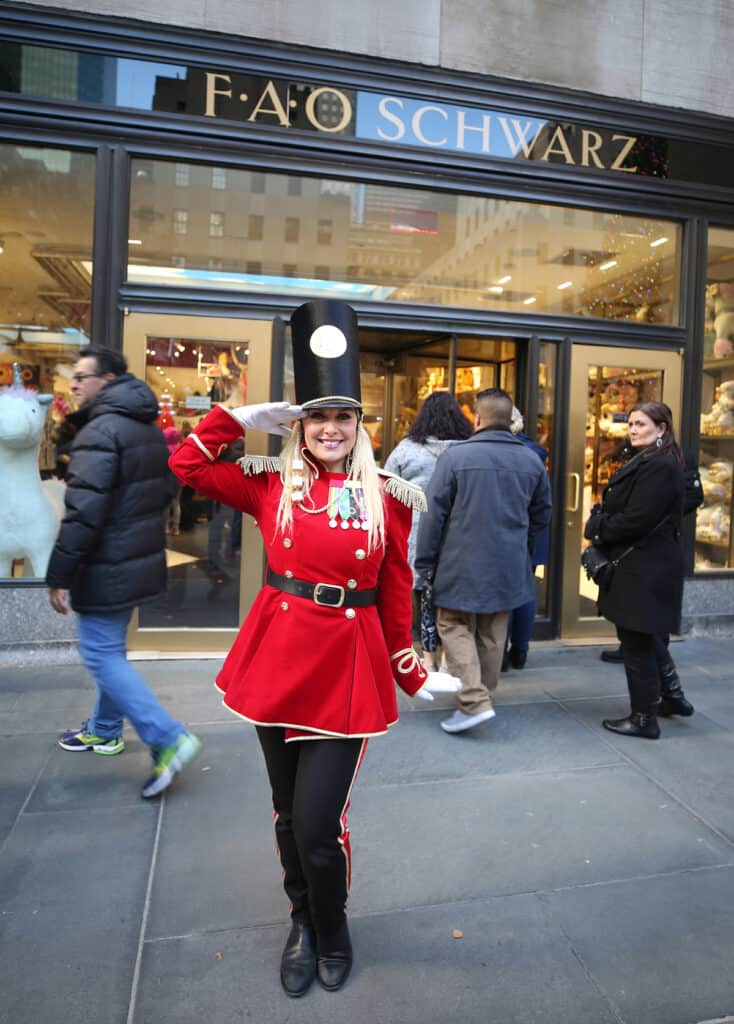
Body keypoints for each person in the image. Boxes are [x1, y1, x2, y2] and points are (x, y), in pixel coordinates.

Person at [169, 300, 430, 998]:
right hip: (280, 658)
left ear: (358, 425)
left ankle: (333, 926)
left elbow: (398, 586)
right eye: (319, 417)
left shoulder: (390, 497)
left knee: (319, 824)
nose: (332, 429)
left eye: (343, 417)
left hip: (348, 667)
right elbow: (188, 468)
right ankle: (301, 922)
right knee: (286, 812)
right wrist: (236, 420)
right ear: (302, 426)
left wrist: (407, 665)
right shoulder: (269, 482)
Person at [46, 346, 201, 798]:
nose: (74, 385)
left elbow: (83, 512)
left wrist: (59, 574)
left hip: (106, 562)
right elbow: (161, 490)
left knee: (99, 654)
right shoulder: (147, 429)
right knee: (110, 649)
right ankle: (105, 727)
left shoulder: (102, 429)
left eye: (81, 377)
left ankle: (168, 737)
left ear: (108, 381)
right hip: (133, 556)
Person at [415, 387, 552, 734]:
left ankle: (475, 701)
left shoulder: (455, 457)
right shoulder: (532, 460)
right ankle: (482, 697)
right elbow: (541, 514)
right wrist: (521, 547)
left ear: (477, 419)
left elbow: (433, 514)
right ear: (509, 420)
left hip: (460, 558)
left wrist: (425, 561)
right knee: (493, 630)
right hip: (509, 560)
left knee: (452, 624)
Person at [583, 401, 690, 739]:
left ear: (661, 429)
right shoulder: (649, 460)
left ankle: (644, 718)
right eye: (630, 423)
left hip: (645, 566)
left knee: (637, 642)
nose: (633, 429)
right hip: (643, 564)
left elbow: (635, 520)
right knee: (647, 636)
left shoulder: (659, 466)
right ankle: (671, 698)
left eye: (641, 424)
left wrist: (596, 525)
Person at [383, 391, 472, 668]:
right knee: (450, 596)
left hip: (415, 532)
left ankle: (423, 655)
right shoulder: (468, 449)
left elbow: (386, 486)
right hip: (458, 534)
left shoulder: (407, 449)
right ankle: (448, 658)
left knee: (418, 595)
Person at [502, 405, 550, 670]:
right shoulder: (535, 454)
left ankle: (500, 653)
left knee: (505, 596)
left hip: (509, 535)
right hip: (531, 535)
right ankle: (520, 649)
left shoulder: (506, 453)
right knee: (525, 590)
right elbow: (544, 504)